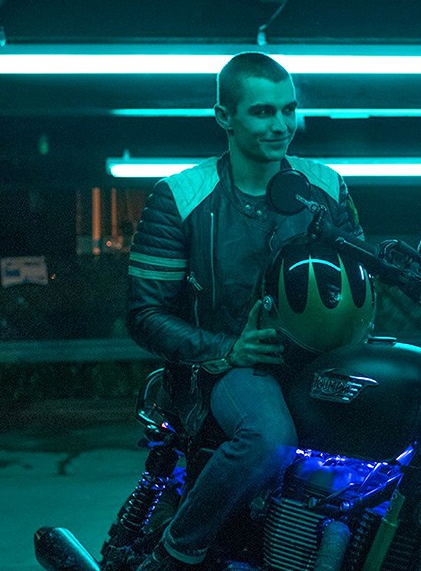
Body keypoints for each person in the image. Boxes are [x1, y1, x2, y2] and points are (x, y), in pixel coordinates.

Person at [126, 52, 364, 570]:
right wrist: (228, 348)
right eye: (262, 111)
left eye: (288, 109)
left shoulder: (325, 186)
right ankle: (175, 554)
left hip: (320, 361)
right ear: (224, 117)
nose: (281, 125)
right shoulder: (181, 197)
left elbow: (359, 275)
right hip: (226, 367)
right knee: (269, 439)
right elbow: (145, 314)